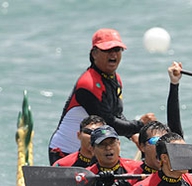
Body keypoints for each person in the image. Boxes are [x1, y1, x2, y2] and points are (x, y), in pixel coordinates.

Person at [48, 28, 156, 164]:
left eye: (117, 49)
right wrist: (139, 124)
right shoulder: (88, 83)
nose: (113, 54)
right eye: (107, 50)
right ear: (94, 53)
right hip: (65, 153)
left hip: (94, 152)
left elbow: (117, 114)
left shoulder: (115, 79)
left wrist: (133, 135)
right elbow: (108, 123)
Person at [23, 115, 105, 186]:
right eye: (88, 132)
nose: (93, 136)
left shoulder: (110, 163)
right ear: (78, 135)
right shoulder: (63, 164)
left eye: (98, 132)